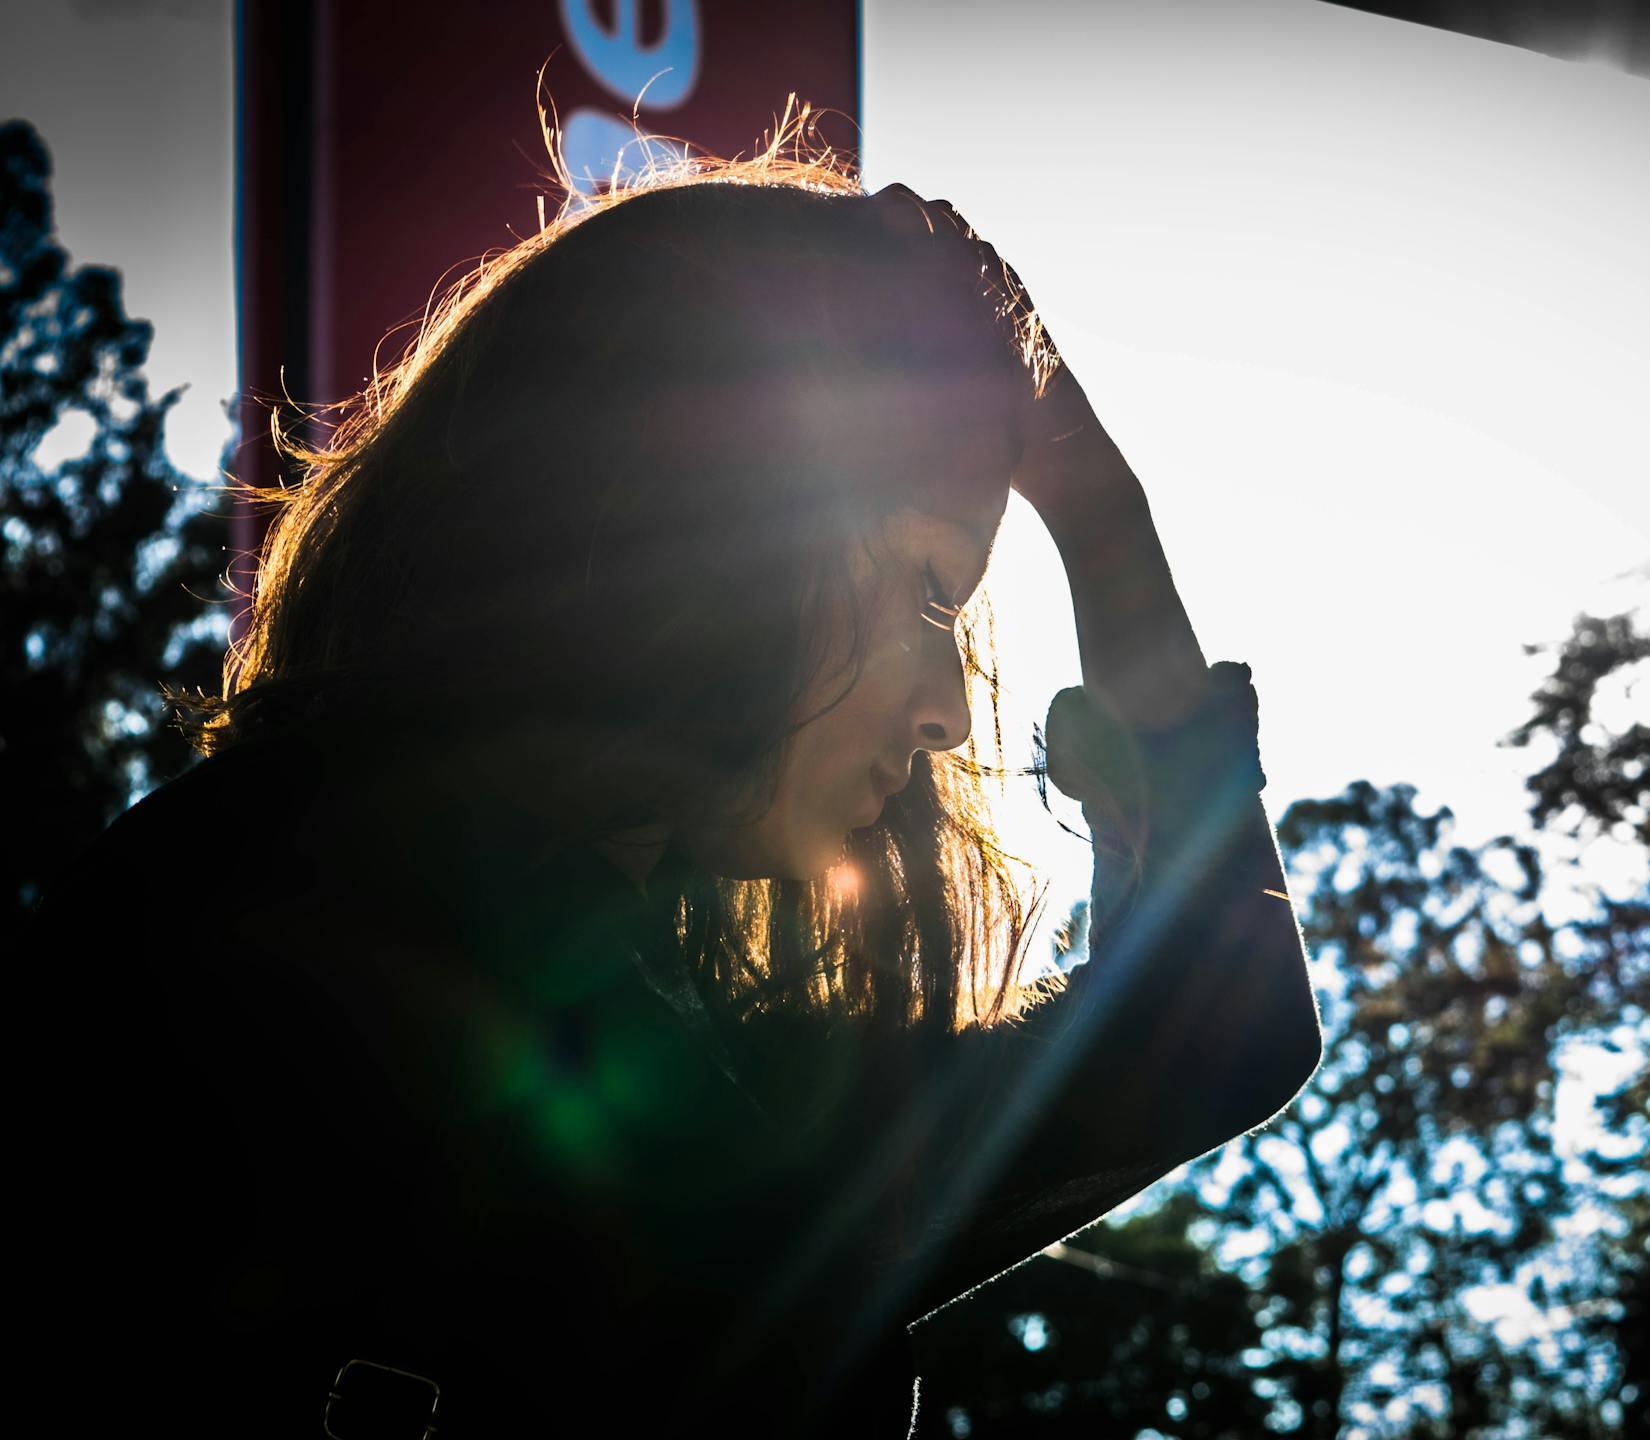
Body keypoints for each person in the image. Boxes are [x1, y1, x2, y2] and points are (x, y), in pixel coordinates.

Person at [22, 118, 1321, 1436]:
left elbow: (1214, 1039)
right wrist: (1095, 515)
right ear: (720, 512)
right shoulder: (264, 933)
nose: (947, 715)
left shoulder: (684, 1060)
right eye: (931, 591)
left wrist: (1098, 509)